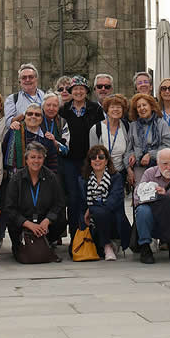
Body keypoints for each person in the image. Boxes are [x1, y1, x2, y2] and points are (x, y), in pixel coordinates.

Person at [60, 76, 104, 239]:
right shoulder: (63, 110)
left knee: (88, 196)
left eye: (81, 88)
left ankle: (88, 232)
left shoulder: (95, 109)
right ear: (71, 92)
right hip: (70, 160)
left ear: (86, 91)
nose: (78, 92)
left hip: (90, 161)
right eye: (75, 89)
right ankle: (75, 234)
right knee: (72, 198)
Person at [5, 139, 66, 258]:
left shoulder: (51, 177)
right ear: (26, 159)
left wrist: (47, 220)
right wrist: (28, 224)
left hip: (44, 222)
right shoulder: (16, 179)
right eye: (32, 157)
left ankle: (47, 241)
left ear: (44, 159)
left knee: (61, 218)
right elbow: (9, 208)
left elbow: (59, 203)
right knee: (10, 219)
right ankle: (19, 245)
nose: (36, 161)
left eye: (39, 157)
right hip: (24, 222)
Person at [78, 144, 129, 259]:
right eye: (93, 157)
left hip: (112, 219)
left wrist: (91, 209)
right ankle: (106, 244)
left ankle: (107, 246)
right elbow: (81, 204)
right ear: (89, 161)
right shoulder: (82, 180)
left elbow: (112, 202)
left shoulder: (116, 177)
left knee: (100, 213)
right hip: (91, 222)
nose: (97, 160)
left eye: (101, 157)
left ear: (106, 161)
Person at [126, 92, 170, 188]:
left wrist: (150, 155)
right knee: (140, 195)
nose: (142, 108)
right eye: (138, 106)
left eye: (144, 105)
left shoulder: (161, 124)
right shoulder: (133, 126)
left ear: (152, 107)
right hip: (139, 167)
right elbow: (128, 148)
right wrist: (130, 160)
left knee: (157, 195)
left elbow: (168, 146)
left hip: (158, 166)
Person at [88, 93, 130, 173]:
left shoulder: (127, 127)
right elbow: (93, 156)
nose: (115, 109)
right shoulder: (96, 129)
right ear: (107, 110)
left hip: (121, 172)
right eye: (112, 107)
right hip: (102, 173)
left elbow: (129, 152)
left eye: (119, 107)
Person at [39, 92, 70, 166]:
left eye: (55, 106)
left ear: (58, 107)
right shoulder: (36, 118)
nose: (51, 108)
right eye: (48, 105)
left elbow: (66, 150)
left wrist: (55, 142)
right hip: (38, 162)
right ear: (43, 106)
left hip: (56, 164)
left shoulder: (63, 122)